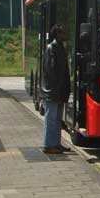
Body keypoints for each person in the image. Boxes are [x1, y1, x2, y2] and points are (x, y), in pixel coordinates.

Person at [41, 24, 71, 154]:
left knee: (58, 118)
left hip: (60, 90)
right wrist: (54, 88)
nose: (65, 35)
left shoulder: (60, 48)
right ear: (57, 34)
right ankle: (48, 144)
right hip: (53, 91)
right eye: (62, 33)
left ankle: (56, 143)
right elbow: (50, 71)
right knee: (51, 118)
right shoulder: (51, 48)